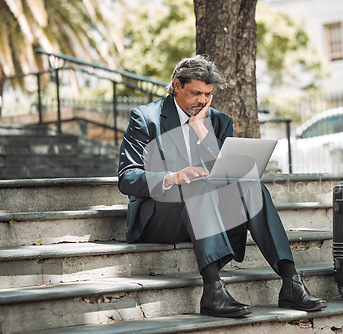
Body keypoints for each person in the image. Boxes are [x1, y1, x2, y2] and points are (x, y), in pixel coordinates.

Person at [118, 55, 326, 318]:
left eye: (208, 94)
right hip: (160, 216)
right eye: (196, 92)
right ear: (176, 85)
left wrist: (201, 131)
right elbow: (127, 177)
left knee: (254, 189)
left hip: (207, 214)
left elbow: (225, 174)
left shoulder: (217, 121)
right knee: (198, 187)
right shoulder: (145, 118)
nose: (202, 100)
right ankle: (213, 290)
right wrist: (172, 177)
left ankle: (291, 282)